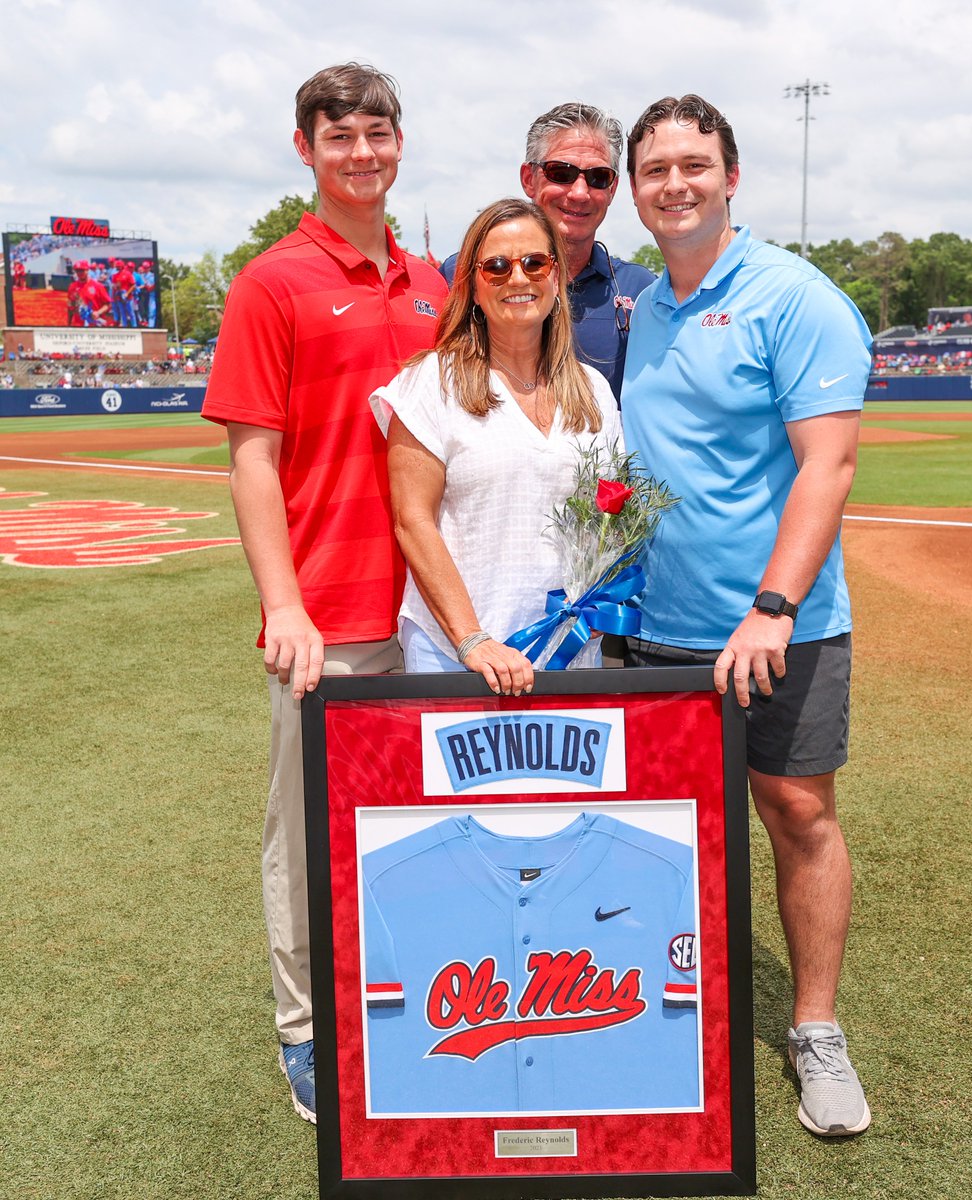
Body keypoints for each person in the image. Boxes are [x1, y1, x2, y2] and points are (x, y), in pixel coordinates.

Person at [620, 95, 873, 1139]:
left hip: (779, 626)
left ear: (730, 176)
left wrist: (770, 604)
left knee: (795, 812)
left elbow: (829, 461)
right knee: (655, 830)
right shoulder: (644, 303)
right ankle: (666, 1009)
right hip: (649, 623)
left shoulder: (791, 294)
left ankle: (813, 1029)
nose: (672, 183)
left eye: (692, 163)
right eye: (654, 169)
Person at [201, 62, 447, 1126]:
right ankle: (306, 1031)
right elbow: (254, 460)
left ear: (399, 143)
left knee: (428, 826)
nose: (361, 152)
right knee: (305, 835)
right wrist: (284, 605)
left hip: (433, 614)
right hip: (331, 614)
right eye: (337, 136)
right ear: (305, 149)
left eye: (376, 133)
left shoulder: (436, 281)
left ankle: (417, 998)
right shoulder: (272, 282)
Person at [375, 198, 620, 693]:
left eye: (535, 262)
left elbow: (611, 514)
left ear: (556, 276)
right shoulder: (431, 382)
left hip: (569, 654)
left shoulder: (593, 389)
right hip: (457, 659)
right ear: (471, 287)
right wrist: (472, 640)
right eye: (496, 267)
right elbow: (412, 521)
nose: (518, 279)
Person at [442, 103, 654, 404]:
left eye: (598, 177)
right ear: (529, 178)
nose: (579, 193)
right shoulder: (461, 274)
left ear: (613, 189)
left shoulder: (642, 290)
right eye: (561, 172)